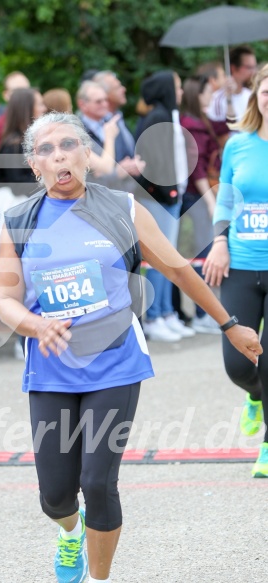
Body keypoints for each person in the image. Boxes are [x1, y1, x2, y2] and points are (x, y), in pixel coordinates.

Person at [0, 111, 262, 582]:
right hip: (51, 369)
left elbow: (180, 269)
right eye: (45, 149)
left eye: (68, 145)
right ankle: (69, 532)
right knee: (55, 496)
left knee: (97, 483)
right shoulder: (19, 221)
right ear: (34, 164)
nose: (59, 155)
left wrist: (230, 324)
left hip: (114, 365)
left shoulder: (121, 209)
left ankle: (98, 579)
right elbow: (5, 300)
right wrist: (35, 325)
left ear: (86, 154)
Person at [203, 64, 268, 478]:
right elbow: (225, 200)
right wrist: (220, 242)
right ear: (256, 96)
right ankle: (256, 396)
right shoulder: (238, 145)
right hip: (239, 264)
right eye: (266, 90)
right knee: (238, 365)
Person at [137, 70, 193, 341]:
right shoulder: (156, 117)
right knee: (160, 260)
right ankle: (155, 315)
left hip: (172, 197)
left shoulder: (169, 116)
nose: (181, 92)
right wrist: (169, 191)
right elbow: (154, 162)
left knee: (169, 258)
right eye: (178, 87)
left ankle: (168, 311)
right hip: (159, 199)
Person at [179, 75, 221, 334]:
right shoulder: (192, 126)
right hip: (198, 196)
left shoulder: (199, 122)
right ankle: (203, 313)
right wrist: (210, 201)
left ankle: (205, 312)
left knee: (203, 251)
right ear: (199, 95)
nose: (211, 96)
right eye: (208, 92)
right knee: (203, 253)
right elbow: (197, 168)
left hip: (200, 194)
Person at [207, 46, 257, 125]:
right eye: (249, 67)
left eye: (254, 67)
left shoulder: (251, 95)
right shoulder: (218, 99)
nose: (254, 72)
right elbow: (221, 132)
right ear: (233, 68)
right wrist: (229, 100)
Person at [0, 71, 31, 153]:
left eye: (26, 91)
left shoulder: (39, 120)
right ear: (6, 95)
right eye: (17, 92)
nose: (23, 96)